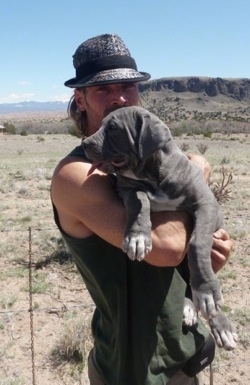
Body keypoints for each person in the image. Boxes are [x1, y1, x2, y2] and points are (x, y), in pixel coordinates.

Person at [50, 34, 233, 385]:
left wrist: (206, 256)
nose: (120, 97)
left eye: (128, 87)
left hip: (184, 348)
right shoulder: (76, 176)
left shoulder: (143, 158)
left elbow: (185, 254)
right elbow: (166, 248)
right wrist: (195, 180)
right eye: (103, 89)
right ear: (81, 99)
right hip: (132, 366)